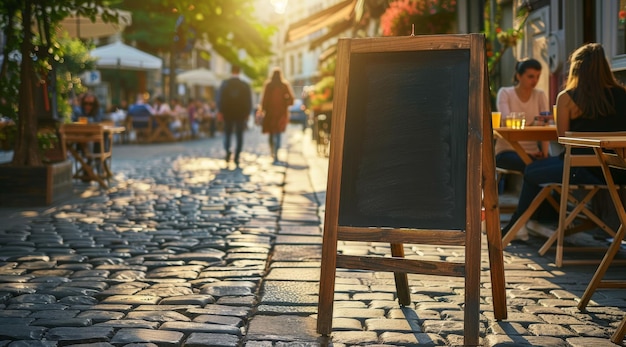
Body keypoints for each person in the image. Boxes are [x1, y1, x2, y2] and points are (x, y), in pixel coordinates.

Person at [501, 43, 626, 240]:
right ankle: (540, 222)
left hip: (581, 170)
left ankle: (517, 225)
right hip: (619, 171)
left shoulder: (567, 98)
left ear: (577, 68)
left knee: (532, 170)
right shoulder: (623, 95)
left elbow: (563, 138)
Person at [495, 58, 550, 176]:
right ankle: (543, 195)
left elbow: (545, 125)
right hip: (507, 151)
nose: (535, 80)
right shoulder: (505, 93)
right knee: (535, 167)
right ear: (519, 76)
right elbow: (507, 122)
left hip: (533, 152)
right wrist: (533, 124)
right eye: (530, 76)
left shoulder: (540, 95)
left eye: (537, 76)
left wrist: (544, 153)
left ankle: (547, 195)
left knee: (551, 165)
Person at [217, 65, 252, 167]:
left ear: (231, 71)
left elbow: (219, 98)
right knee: (239, 135)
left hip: (227, 112)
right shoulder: (244, 85)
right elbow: (248, 100)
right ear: (239, 72)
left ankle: (227, 151)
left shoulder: (225, 84)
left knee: (227, 133)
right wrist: (247, 112)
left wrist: (220, 111)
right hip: (240, 113)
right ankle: (237, 156)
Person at [260, 67, 294, 163]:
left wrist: (263, 109)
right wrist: (284, 103)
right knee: (278, 133)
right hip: (281, 113)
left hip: (270, 113)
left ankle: (272, 152)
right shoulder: (284, 85)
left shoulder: (268, 85)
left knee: (271, 133)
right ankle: (276, 153)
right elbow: (291, 100)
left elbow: (264, 100)